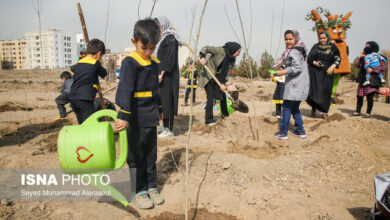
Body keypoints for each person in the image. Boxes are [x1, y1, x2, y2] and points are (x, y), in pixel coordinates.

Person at [115, 18, 164, 209]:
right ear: (134, 42)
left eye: (152, 48)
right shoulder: (130, 63)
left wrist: (159, 109)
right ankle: (139, 190)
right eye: (145, 48)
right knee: (136, 156)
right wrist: (124, 115)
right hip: (134, 118)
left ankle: (152, 186)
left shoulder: (153, 63)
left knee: (150, 154)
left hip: (150, 117)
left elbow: (154, 89)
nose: (148, 52)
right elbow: (125, 89)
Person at [272, 30, 309, 140]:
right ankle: (300, 130)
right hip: (300, 85)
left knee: (286, 108)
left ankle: (283, 132)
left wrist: (281, 72)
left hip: (294, 85)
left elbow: (297, 68)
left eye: (290, 39)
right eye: (286, 39)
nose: (288, 41)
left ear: (296, 38)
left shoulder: (294, 52)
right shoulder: (299, 49)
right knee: (295, 109)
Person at [198, 42, 241, 126]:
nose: (238, 54)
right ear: (233, 50)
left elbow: (227, 72)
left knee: (222, 96)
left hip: (219, 79)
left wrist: (223, 84)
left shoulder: (232, 59)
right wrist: (202, 58)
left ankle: (225, 114)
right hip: (209, 76)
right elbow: (206, 47)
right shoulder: (220, 51)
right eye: (238, 52)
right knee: (211, 97)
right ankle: (209, 120)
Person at [154, 16, 183, 138]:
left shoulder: (171, 38)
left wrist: (162, 72)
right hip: (162, 76)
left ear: (164, 25)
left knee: (168, 102)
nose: (158, 29)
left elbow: (170, 58)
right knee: (163, 102)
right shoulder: (162, 39)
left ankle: (169, 129)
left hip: (169, 77)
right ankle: (165, 126)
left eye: (159, 26)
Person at [69, 39, 107, 124]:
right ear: (99, 54)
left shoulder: (79, 63)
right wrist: (100, 63)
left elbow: (73, 68)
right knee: (90, 123)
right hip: (84, 98)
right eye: (101, 56)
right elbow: (104, 74)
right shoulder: (95, 63)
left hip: (73, 97)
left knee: (82, 123)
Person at [306, 31, 341, 119]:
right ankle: (314, 109)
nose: (322, 40)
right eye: (321, 38)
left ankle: (325, 112)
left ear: (327, 38)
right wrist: (315, 63)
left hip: (327, 73)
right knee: (315, 91)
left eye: (324, 38)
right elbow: (309, 58)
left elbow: (338, 58)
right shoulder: (316, 46)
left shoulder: (333, 47)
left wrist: (332, 66)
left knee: (326, 91)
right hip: (315, 72)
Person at [351, 41, 388, 118]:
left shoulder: (378, 56)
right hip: (363, 79)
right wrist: (361, 58)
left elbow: (383, 68)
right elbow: (357, 66)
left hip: (372, 79)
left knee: (370, 96)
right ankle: (357, 111)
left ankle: (368, 113)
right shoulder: (364, 56)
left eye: (368, 46)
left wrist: (373, 70)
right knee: (359, 96)